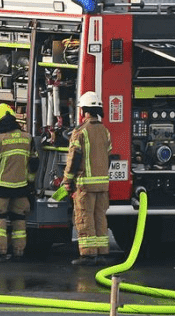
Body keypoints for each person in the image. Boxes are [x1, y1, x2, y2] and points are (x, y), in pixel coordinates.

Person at [0, 104, 39, 262]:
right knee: (19, 220)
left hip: (1, 187)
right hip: (21, 187)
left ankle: (0, 251)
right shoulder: (27, 138)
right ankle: (18, 252)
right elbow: (34, 163)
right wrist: (30, 182)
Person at [64, 91, 112, 266]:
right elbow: (108, 157)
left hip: (85, 185)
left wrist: (67, 180)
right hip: (102, 185)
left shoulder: (80, 132)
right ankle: (102, 253)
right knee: (100, 218)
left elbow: (74, 159)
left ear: (84, 110)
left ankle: (88, 255)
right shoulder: (105, 131)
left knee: (85, 218)